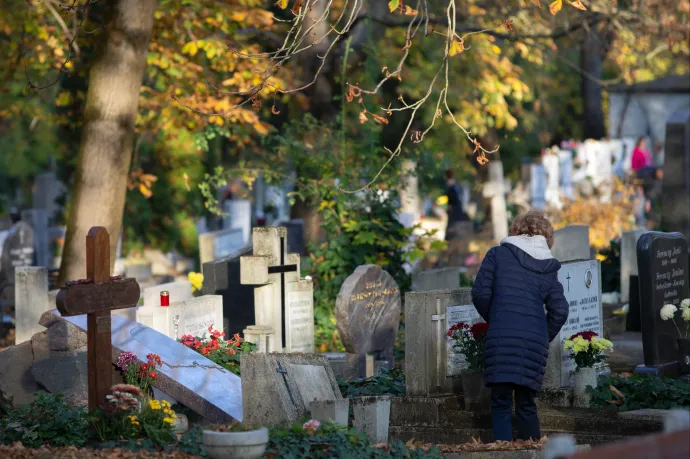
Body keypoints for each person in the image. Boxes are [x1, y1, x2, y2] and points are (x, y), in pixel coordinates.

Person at [471, 209, 569, 442]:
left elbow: (480, 293)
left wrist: (496, 319)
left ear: (515, 230)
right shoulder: (548, 267)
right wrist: (542, 336)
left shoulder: (497, 255)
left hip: (501, 337)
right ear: (547, 237)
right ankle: (533, 452)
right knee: (526, 404)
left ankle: (502, 453)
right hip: (533, 342)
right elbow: (560, 310)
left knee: (501, 403)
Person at [444, 169, 468, 241]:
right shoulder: (458, 186)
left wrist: (449, 208)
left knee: (453, 229)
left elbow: (452, 201)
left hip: (454, 211)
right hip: (458, 210)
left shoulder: (452, 187)